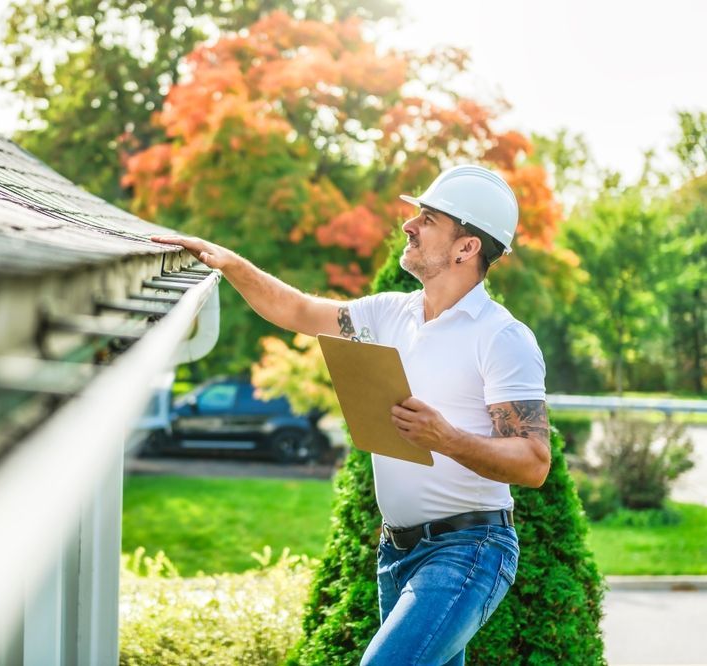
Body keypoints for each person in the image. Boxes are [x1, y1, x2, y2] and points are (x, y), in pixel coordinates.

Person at [151, 164, 551, 666]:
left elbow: (533, 462)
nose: (408, 225)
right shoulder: (390, 313)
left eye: (427, 218)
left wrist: (445, 438)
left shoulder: (501, 337)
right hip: (397, 554)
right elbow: (298, 312)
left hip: (469, 549)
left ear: (466, 247)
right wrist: (231, 264)